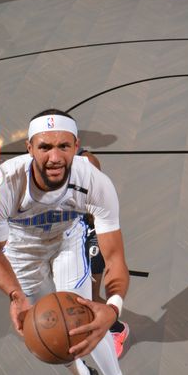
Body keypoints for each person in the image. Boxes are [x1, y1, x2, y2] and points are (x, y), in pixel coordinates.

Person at [0, 109, 138, 375]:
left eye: (64, 146)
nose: (54, 157)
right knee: (45, 328)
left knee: (82, 318)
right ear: (29, 147)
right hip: (21, 252)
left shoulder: (94, 182)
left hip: (68, 241)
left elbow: (115, 259)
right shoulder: (2, 185)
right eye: (45, 147)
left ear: (76, 146)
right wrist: (14, 295)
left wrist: (112, 308)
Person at [77, 147, 130, 358]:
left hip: (92, 231)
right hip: (66, 233)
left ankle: (116, 329)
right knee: (78, 292)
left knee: (89, 292)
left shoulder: (86, 160)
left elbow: (96, 200)